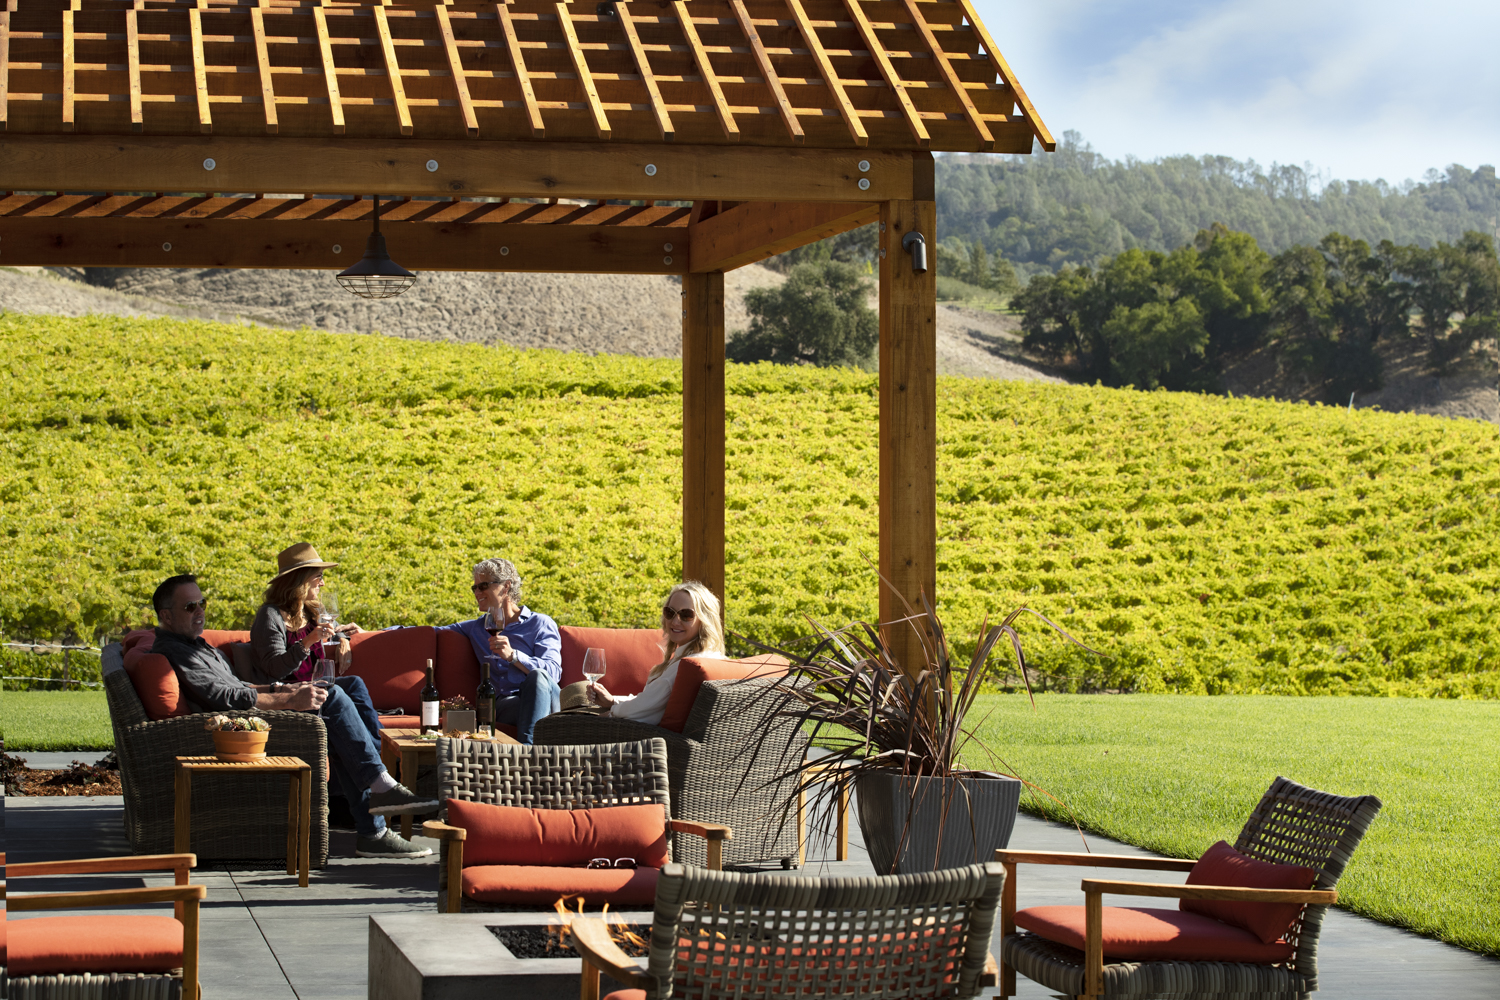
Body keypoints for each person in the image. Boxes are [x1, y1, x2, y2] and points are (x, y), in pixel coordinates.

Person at [150, 572, 437, 859]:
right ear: (166, 615)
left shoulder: (193, 644)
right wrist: (287, 696)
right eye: (190, 607)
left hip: (253, 713)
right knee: (332, 697)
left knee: (349, 690)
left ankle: (375, 783)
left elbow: (240, 686)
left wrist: (286, 688)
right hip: (241, 730)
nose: (200, 611)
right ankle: (377, 797)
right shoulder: (177, 652)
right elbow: (225, 699)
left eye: (202, 603)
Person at [248, 543, 421, 857]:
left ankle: (373, 771)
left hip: (314, 696)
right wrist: (310, 641)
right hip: (289, 701)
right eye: (317, 577)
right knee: (338, 695)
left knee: (351, 684)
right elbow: (274, 667)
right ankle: (376, 798)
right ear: (299, 581)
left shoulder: (308, 613)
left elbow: (331, 630)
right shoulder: (270, 617)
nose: (323, 583)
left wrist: (341, 639)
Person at [436, 558, 561, 744]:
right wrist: (386, 632)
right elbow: (433, 630)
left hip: (546, 701)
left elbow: (553, 673)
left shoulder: (540, 624)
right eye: (475, 588)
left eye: (483, 586)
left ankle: (526, 753)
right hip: (506, 706)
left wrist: (514, 656)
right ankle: (529, 757)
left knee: (537, 678)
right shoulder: (477, 627)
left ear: (506, 586)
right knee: (498, 705)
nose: (477, 592)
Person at [588, 581, 724, 727]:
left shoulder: (686, 666)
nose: (675, 621)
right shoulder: (714, 659)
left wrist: (610, 713)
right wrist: (613, 701)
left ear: (704, 620)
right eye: (670, 612)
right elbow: (651, 702)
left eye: (686, 615)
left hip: (645, 739)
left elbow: (642, 708)